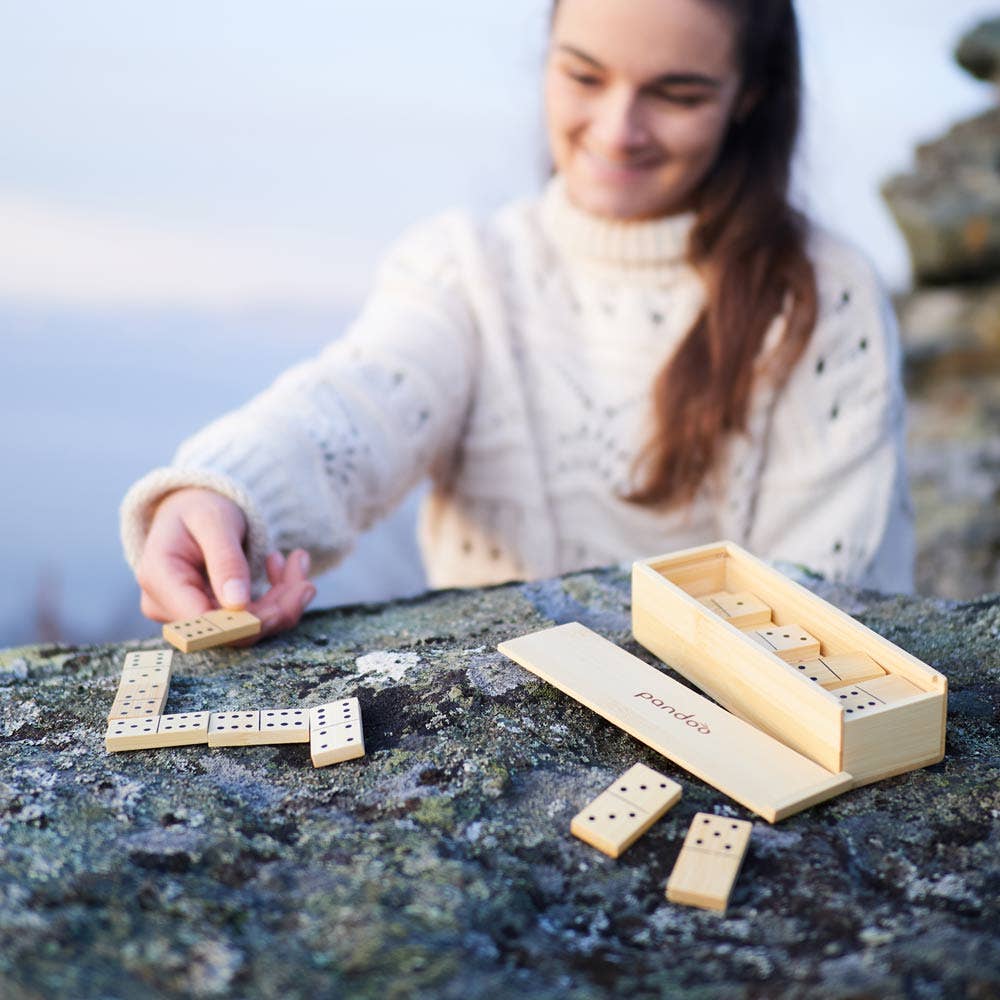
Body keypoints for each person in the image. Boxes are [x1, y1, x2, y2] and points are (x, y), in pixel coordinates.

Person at [120, 0, 914, 643]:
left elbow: (827, 605)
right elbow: (357, 402)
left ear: (751, 95)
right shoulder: (466, 268)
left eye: (677, 94)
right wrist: (220, 496)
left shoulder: (821, 292)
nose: (617, 128)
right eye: (583, 75)